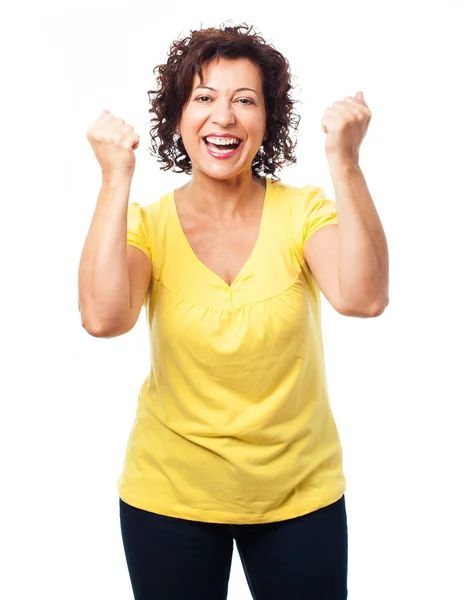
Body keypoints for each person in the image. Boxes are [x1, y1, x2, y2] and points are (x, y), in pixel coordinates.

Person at [78, 22, 389, 600]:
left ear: (267, 122)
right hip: (169, 496)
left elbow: (363, 297)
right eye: (204, 98)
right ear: (178, 117)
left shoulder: (302, 213)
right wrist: (114, 177)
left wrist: (345, 161)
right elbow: (103, 317)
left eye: (245, 100)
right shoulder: (148, 225)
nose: (224, 117)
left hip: (300, 494)